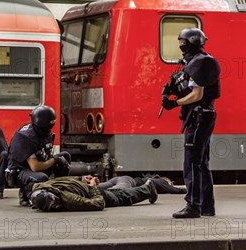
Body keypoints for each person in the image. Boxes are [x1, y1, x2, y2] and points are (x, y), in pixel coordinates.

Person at [162, 28, 221, 218]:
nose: (180, 46)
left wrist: (174, 103)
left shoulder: (201, 62)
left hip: (199, 117)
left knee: (193, 163)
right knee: (202, 163)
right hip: (202, 115)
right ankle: (206, 207)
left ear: (191, 42)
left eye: (183, 42)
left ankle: (193, 206)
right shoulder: (200, 61)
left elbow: (197, 94)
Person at [6, 105, 72, 206]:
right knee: (41, 177)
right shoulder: (26, 137)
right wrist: (55, 160)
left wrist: (57, 160)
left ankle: (58, 188)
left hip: (38, 165)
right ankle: (28, 194)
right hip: (20, 171)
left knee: (65, 156)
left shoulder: (44, 133)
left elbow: (46, 155)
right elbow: (35, 167)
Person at [30, 176, 157, 212]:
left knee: (120, 197)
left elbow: (98, 203)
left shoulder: (68, 199)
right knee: (117, 191)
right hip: (84, 186)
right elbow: (65, 179)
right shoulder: (44, 185)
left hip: (91, 192)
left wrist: (91, 187)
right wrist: (81, 178)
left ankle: (147, 189)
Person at [94, 175, 187, 195]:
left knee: (95, 188)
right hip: (129, 181)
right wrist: (184, 190)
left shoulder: (150, 179)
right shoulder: (160, 181)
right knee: (116, 192)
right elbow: (172, 189)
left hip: (119, 179)